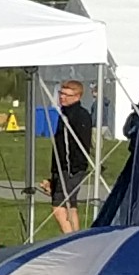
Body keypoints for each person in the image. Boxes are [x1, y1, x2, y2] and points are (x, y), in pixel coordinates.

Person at [49, 79, 101, 232]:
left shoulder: (77, 115)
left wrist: (69, 170)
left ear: (77, 96)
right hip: (64, 167)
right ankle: (76, 237)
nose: (62, 97)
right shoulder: (64, 113)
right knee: (70, 205)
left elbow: (76, 145)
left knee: (58, 206)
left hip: (71, 168)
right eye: (61, 93)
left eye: (67, 95)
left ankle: (69, 238)